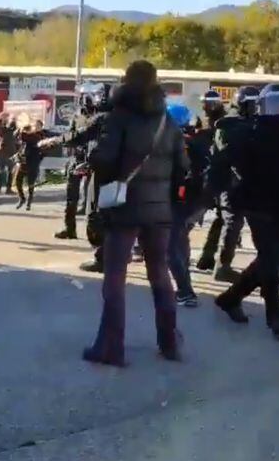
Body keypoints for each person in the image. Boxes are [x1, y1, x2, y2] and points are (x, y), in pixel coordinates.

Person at [83, 61, 188, 367]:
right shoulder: (166, 121)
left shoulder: (120, 118)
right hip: (160, 211)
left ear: (125, 82)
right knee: (159, 272)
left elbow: (104, 160)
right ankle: (169, 343)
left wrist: (95, 157)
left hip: (125, 205)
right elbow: (183, 166)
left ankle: (111, 348)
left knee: (115, 276)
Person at [212, 84, 279, 340]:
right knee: (272, 258)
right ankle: (275, 315)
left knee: (273, 257)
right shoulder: (251, 132)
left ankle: (230, 298)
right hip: (261, 204)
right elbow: (225, 162)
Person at [197, 87, 256, 283]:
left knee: (225, 220)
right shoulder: (228, 125)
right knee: (231, 222)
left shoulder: (247, 123)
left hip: (235, 181)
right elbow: (228, 155)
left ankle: (208, 258)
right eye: (252, 103)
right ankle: (222, 266)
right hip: (228, 181)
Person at [53, 84, 112, 243]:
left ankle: (94, 232)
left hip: (93, 160)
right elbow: (73, 135)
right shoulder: (78, 115)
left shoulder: (103, 115)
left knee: (92, 199)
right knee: (71, 195)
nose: (86, 99)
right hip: (78, 157)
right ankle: (69, 228)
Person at [166, 101, 203, 308]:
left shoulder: (174, 144)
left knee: (169, 249)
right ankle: (185, 283)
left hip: (174, 201)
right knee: (180, 242)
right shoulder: (197, 141)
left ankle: (185, 291)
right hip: (195, 203)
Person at [17, 120, 52, 210]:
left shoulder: (40, 136)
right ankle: (22, 198)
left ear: (41, 127)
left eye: (38, 126)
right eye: (34, 125)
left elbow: (46, 148)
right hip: (24, 161)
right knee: (18, 180)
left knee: (30, 183)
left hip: (33, 162)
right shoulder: (28, 133)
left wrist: (41, 156)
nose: (35, 127)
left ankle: (29, 202)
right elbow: (20, 137)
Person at [0, 114, 19, 195]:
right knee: (2, 170)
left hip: (11, 153)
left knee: (10, 171)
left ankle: (8, 188)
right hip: (2, 153)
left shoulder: (14, 130)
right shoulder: (3, 129)